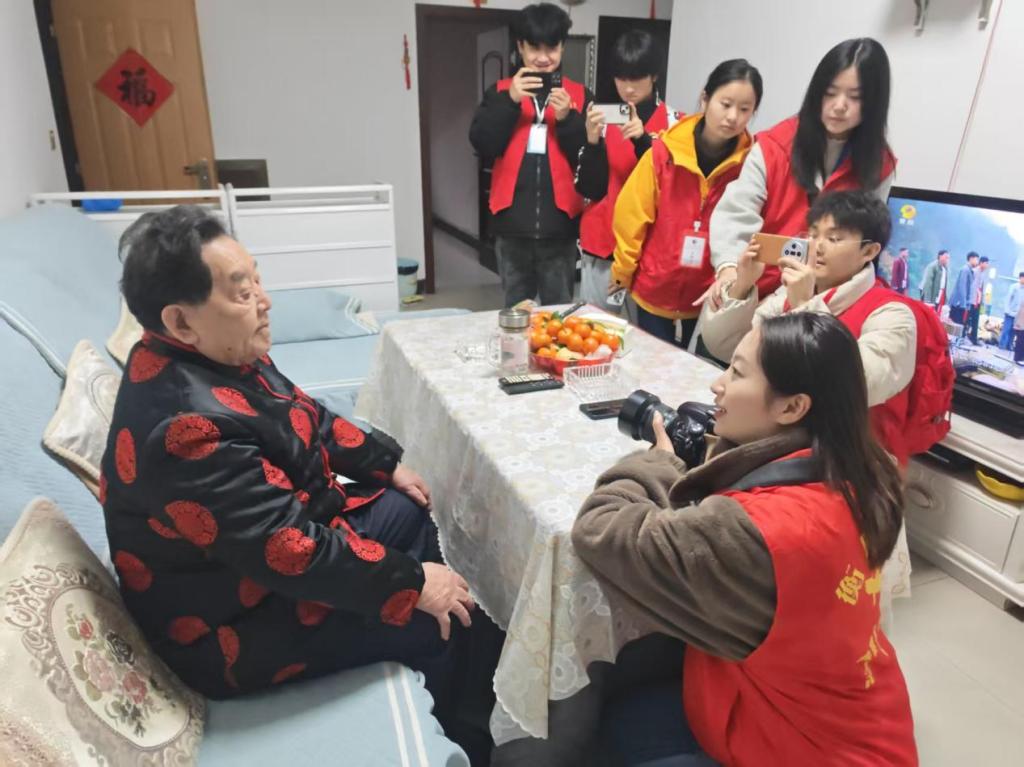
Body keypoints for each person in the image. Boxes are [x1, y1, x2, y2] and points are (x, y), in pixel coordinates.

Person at [102, 207, 493, 758]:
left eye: (257, 281)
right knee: (430, 622)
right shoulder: (184, 430)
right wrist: (411, 585)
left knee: (410, 511)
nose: (264, 301)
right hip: (229, 622)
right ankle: (467, 735)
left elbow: (303, 413)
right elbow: (292, 552)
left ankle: (468, 662)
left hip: (268, 555)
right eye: (242, 293)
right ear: (181, 321)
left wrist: (385, 465)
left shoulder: (217, 354)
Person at [573, 312, 917, 766]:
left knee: (595, 720)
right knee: (627, 714)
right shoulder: (857, 476)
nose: (717, 386)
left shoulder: (761, 530)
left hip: (800, 749)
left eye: (736, 373)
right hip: (856, 723)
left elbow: (600, 528)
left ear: (792, 408)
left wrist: (659, 461)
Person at [704, 38, 897, 314]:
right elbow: (736, 214)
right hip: (753, 288)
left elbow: (861, 245)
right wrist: (729, 269)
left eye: (855, 97)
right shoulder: (774, 145)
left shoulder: (879, 165)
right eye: (830, 93)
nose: (839, 105)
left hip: (821, 302)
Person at [604, 59, 763, 348]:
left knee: (699, 368)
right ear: (705, 98)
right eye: (725, 104)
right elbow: (631, 218)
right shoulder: (663, 152)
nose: (733, 117)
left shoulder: (751, 165)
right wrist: (621, 275)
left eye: (744, 109)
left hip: (711, 292)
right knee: (651, 364)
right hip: (654, 286)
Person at [469, 2, 592, 307]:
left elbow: (588, 158)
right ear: (520, 47)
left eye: (552, 47)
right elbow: (483, 144)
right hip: (511, 225)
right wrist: (510, 101)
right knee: (516, 313)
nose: (543, 57)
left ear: (562, 47)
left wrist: (568, 119)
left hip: (560, 226)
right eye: (535, 47)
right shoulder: (499, 91)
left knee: (558, 312)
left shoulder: (579, 95)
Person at [574, 30, 680, 313]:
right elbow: (591, 189)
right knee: (593, 328)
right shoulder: (603, 120)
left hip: (649, 251)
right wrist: (592, 142)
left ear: (654, 75)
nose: (629, 88)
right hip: (602, 243)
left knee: (641, 335)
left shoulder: (675, 124)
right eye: (621, 78)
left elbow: (674, 189)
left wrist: (643, 141)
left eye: (637, 77)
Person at [949, 251, 979, 335]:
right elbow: (962, 287)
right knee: (955, 325)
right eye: (976, 259)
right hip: (958, 303)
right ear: (971, 259)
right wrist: (963, 304)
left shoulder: (970, 270)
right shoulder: (965, 270)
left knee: (959, 326)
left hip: (962, 304)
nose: (977, 262)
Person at [967, 254, 990, 345]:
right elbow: (971, 286)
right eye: (986, 263)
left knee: (976, 319)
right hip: (972, 299)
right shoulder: (974, 271)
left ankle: (974, 338)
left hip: (978, 299)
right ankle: (965, 335)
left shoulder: (983, 273)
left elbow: (981, 288)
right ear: (981, 263)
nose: (987, 265)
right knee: (968, 318)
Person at [998, 272, 1024, 351]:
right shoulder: (1014, 287)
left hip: (1018, 315)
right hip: (1010, 312)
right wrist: (1007, 310)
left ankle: (1009, 345)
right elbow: (1008, 298)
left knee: (1013, 331)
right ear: (1020, 278)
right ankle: (1002, 345)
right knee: (1006, 329)